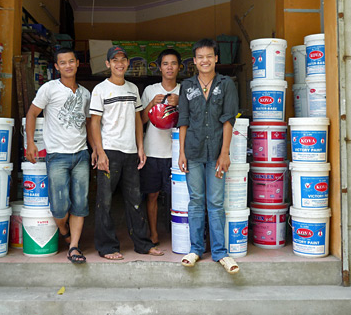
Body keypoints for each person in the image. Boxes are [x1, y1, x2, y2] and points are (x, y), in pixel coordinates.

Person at [90, 45, 164, 260]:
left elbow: (137, 120)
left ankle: (142, 244)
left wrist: (140, 147)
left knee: (135, 200)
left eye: (123, 59)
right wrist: (100, 151)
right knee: (104, 201)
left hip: (131, 151)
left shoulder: (132, 89)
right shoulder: (100, 89)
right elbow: (94, 123)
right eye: (115, 60)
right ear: (108, 64)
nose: (119, 63)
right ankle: (107, 247)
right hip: (110, 151)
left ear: (128, 63)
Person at [25, 47, 94, 264]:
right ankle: (63, 229)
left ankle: (74, 246)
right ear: (56, 67)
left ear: (77, 63)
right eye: (63, 63)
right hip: (57, 156)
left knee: (80, 203)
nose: (68, 66)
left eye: (71, 61)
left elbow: (89, 124)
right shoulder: (49, 89)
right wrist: (30, 143)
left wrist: (95, 151)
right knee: (59, 206)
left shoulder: (85, 93)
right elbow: (32, 113)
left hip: (81, 154)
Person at [177, 38, 240, 274]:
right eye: (200, 57)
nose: (205, 60)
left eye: (209, 56)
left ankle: (220, 253)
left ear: (216, 58)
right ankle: (195, 250)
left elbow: (228, 120)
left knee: (215, 203)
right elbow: (183, 120)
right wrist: (182, 152)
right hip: (192, 152)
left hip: (216, 153)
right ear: (194, 61)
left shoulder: (226, 84)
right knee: (195, 202)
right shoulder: (187, 86)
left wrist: (224, 153)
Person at [140, 49, 181, 245]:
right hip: (152, 151)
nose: (170, 67)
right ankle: (153, 233)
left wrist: (180, 103)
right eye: (165, 63)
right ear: (159, 67)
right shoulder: (150, 90)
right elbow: (140, 120)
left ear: (179, 67)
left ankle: (180, 234)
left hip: (176, 153)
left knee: (178, 197)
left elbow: (194, 121)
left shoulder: (185, 90)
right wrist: (150, 104)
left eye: (173, 63)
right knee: (152, 195)